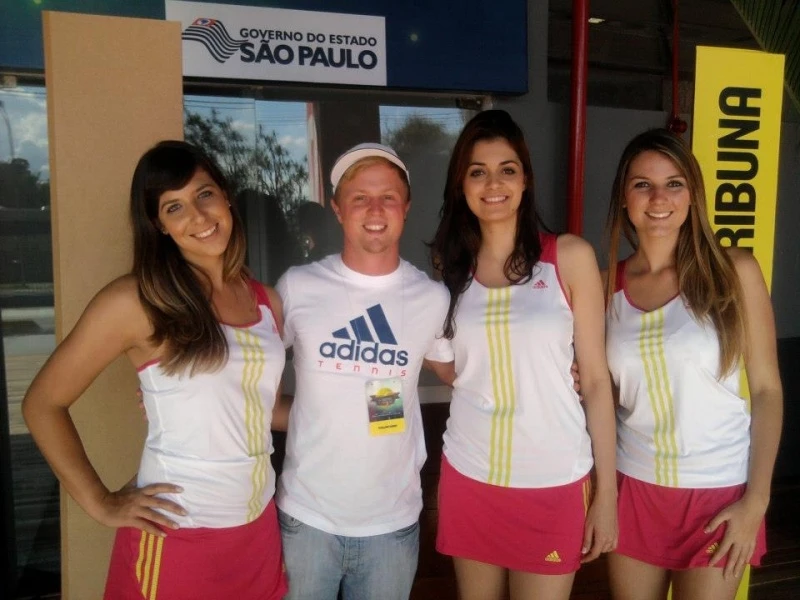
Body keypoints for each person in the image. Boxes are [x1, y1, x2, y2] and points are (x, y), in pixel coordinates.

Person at [22, 141, 288, 600]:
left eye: (204, 194)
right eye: (174, 207)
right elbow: (42, 404)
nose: (198, 217)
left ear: (225, 196)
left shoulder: (267, 301)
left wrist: (343, 412)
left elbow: (262, 410)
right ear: (159, 225)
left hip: (258, 529)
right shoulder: (138, 301)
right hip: (177, 537)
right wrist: (101, 503)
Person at [429, 109, 618, 600]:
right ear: (461, 185)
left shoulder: (569, 257)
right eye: (478, 171)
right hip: (470, 473)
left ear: (525, 179)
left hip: (553, 479)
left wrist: (608, 492)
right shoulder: (451, 269)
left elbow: (597, 381)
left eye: (507, 169)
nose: (493, 184)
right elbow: (455, 370)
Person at [603, 129, 783, 599]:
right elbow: (604, 390)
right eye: (643, 184)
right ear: (623, 197)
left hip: (718, 492)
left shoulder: (734, 271)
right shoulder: (604, 286)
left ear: (693, 195)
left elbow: (767, 391)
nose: (659, 198)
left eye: (674, 183)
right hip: (634, 486)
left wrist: (756, 501)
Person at [274, 142, 453, 600]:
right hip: (306, 517)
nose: (375, 210)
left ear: (406, 208)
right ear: (337, 209)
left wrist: (562, 370)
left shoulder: (432, 298)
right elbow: (247, 367)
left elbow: (462, 373)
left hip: (390, 523)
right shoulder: (298, 286)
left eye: (388, 197)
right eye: (360, 198)